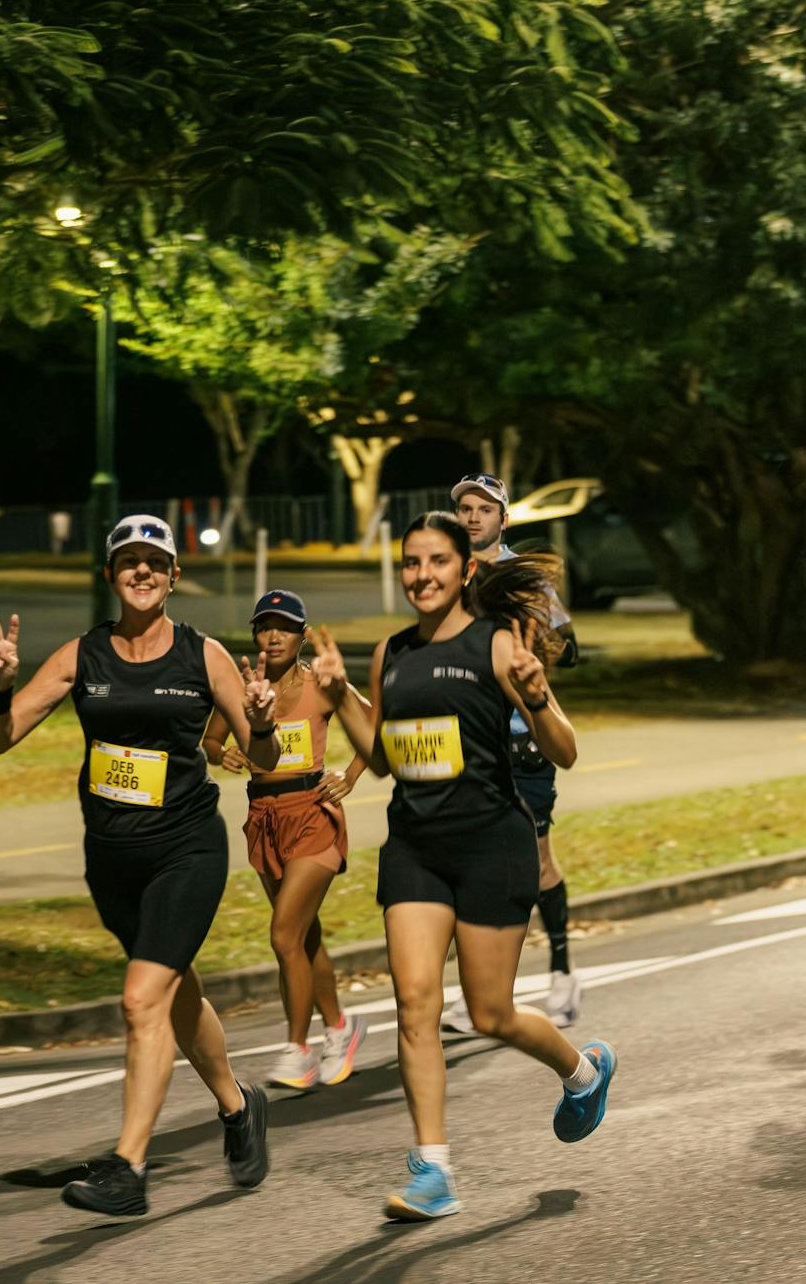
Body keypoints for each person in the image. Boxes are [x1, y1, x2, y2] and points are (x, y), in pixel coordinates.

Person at [311, 511, 616, 1221]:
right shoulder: (390, 652)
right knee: (414, 1004)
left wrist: (538, 696)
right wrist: (338, 695)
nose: (421, 575)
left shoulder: (500, 644)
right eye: (411, 563)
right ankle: (433, 1171)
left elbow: (565, 749)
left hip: (490, 845)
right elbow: (385, 756)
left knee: (490, 1013)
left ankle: (582, 1071)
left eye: (436, 562)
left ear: (465, 570)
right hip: (416, 847)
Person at [0, 514, 279, 1217]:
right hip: (111, 860)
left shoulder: (203, 656)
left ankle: (129, 1168)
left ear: (175, 576)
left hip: (186, 849)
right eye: (127, 561)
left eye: (155, 561)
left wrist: (262, 720)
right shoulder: (83, 655)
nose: (141, 571)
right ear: (110, 575)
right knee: (175, 998)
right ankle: (239, 1108)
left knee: (141, 999)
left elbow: (262, 759)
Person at [202, 589, 370, 1089]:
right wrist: (222, 754)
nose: (273, 636)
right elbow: (211, 739)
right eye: (264, 626)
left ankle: (297, 1049)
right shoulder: (242, 686)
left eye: (285, 627)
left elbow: (377, 727)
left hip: (313, 815)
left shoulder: (324, 683)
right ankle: (340, 1027)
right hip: (265, 818)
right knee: (302, 935)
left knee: (283, 934)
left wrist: (353, 774)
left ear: (301, 634)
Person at [444, 473, 583, 1029]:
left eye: (484, 509)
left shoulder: (521, 577)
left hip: (522, 742)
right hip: (466, 744)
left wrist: (525, 642)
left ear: (503, 519)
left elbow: (569, 650)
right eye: (464, 509)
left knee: (536, 864)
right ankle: (478, 988)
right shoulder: (448, 576)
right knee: (469, 868)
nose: (473, 516)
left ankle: (563, 973)